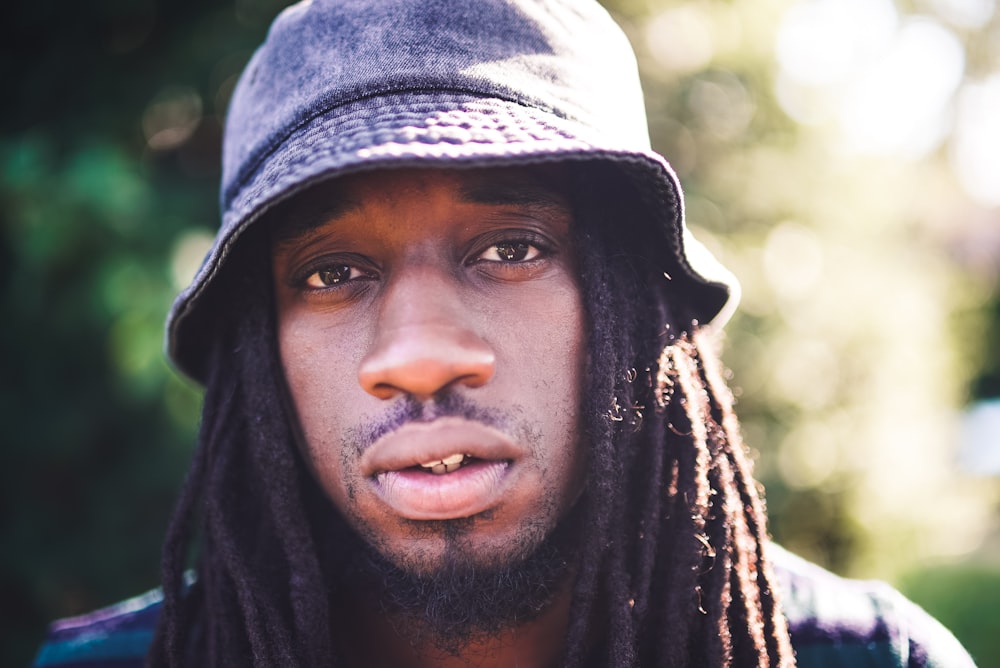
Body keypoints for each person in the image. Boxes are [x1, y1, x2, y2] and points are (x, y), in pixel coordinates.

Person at [33, 1, 976, 666]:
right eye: (331, 273)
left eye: (512, 248)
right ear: (256, 354)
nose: (420, 355)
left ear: (636, 307)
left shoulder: (867, 661)